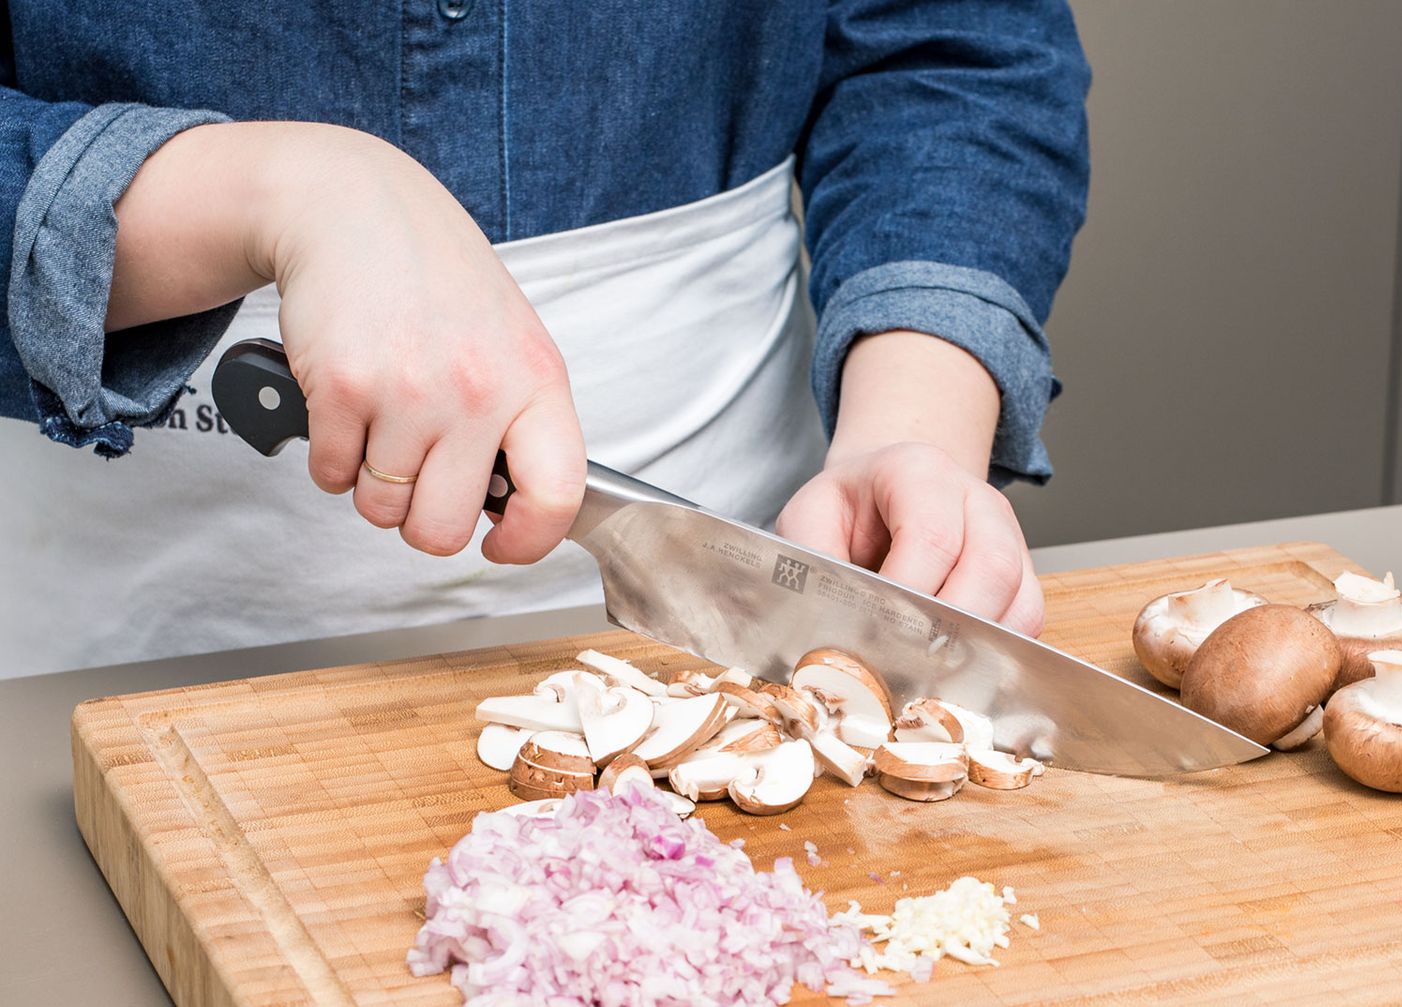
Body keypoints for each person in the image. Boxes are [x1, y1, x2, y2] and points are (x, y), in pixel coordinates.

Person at [0, 2, 1090, 678]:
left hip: (737, 616)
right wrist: (278, 193)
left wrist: (912, 433)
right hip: (101, 649)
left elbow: (946, 47)